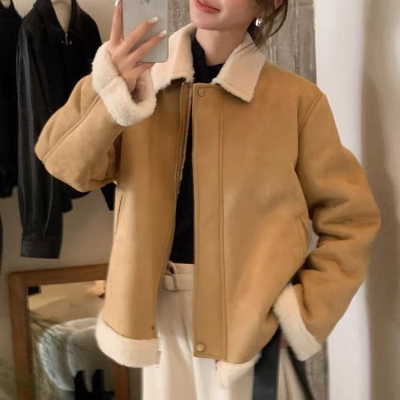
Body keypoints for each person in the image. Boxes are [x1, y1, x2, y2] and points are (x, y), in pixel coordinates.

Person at [34, 0, 381, 399]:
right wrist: (109, 88)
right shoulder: (142, 85)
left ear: (268, 5)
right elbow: (65, 165)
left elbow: (351, 219)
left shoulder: (296, 102)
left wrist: (303, 313)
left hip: (248, 328)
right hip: (158, 321)